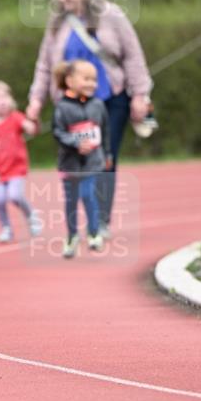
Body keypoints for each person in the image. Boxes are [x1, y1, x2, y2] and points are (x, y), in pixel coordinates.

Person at [26, 0, 151, 237]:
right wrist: (35, 100)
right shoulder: (58, 21)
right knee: (76, 159)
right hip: (71, 105)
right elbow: (45, 64)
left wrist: (140, 95)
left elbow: (133, 56)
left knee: (104, 156)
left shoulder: (111, 15)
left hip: (110, 99)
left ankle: (102, 220)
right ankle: (83, 218)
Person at [52, 60, 111, 259]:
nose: (92, 84)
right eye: (86, 79)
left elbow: (105, 131)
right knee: (71, 201)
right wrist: (75, 143)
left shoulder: (98, 105)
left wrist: (107, 153)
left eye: (94, 79)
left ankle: (94, 233)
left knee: (88, 194)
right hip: (69, 163)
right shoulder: (62, 107)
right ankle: (72, 236)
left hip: (92, 161)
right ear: (70, 81)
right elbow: (58, 132)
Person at [0, 80, 42, 243]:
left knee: (15, 196)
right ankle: (6, 228)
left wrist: (33, 118)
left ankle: (31, 216)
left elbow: (31, 129)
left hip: (16, 169)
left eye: (5, 97)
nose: (2, 101)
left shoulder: (15, 118)